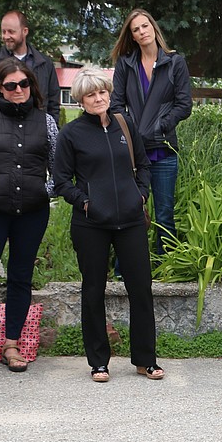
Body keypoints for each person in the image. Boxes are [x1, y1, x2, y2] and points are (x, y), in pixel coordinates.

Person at [53, 66, 161, 382]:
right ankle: (99, 361)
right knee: (93, 290)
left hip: (130, 221)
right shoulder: (70, 134)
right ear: (81, 100)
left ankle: (146, 360)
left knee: (141, 288)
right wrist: (86, 202)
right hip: (91, 225)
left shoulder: (124, 125)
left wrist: (140, 195)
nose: (98, 98)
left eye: (102, 92)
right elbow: (60, 180)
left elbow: (143, 165)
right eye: (91, 94)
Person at [0, 59, 58, 372]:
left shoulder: (45, 122)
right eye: (10, 85)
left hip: (31, 213)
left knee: (21, 277)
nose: (18, 90)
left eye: (24, 84)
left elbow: (60, 167)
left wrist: (44, 189)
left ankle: (12, 345)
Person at [109, 8, 192, 254]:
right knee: (131, 210)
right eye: (136, 29)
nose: (142, 32)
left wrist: (160, 125)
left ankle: (166, 267)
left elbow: (184, 105)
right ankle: (127, 268)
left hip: (164, 150)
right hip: (133, 153)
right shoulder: (126, 64)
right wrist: (132, 130)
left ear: (154, 28)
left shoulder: (175, 62)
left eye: (145, 26)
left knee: (165, 214)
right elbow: (116, 105)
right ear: (132, 36)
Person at [0, 10, 61, 121]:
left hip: (37, 129)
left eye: (11, 32)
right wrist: (5, 103)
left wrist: (52, 129)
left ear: (25, 31)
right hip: (2, 128)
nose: (6, 36)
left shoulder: (45, 64)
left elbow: (53, 103)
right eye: (3, 32)